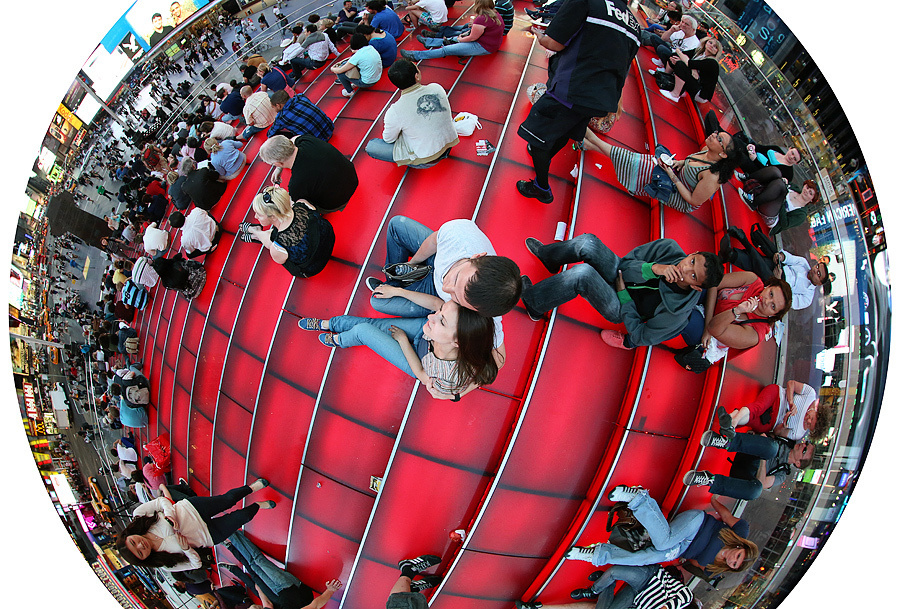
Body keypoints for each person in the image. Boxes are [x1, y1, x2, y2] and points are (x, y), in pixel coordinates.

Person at [516, 0, 640, 204]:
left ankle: (541, 187)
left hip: (571, 88)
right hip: (600, 98)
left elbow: (554, 43)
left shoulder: (587, 1)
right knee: (566, 131)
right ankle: (544, 160)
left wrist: (539, 35)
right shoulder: (634, 25)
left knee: (536, 139)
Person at [364, 216, 521, 369]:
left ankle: (400, 285)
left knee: (378, 301)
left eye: (456, 297)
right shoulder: (457, 233)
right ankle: (400, 277)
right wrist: (411, 264)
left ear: (476, 311)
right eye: (457, 278)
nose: (446, 287)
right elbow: (433, 241)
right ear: (477, 256)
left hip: (432, 296)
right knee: (397, 224)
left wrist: (459, 392)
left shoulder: (486, 310)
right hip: (438, 257)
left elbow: (499, 359)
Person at [520, 235, 724, 349]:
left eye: (693, 276)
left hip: (621, 306)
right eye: (692, 261)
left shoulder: (677, 316)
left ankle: (534, 304)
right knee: (587, 243)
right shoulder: (668, 248)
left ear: (696, 287)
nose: (685, 269)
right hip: (623, 274)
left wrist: (624, 296)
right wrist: (653, 269)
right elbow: (625, 264)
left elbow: (640, 336)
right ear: (693, 254)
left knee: (582, 273)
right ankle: (549, 257)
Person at [299, 298, 498, 400]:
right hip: (425, 339)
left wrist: (403, 341)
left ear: (458, 343)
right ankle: (329, 324)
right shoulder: (438, 327)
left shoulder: (450, 375)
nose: (431, 317)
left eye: (441, 320)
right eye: (438, 312)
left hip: (417, 361)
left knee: (364, 330)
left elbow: (421, 374)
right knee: (373, 324)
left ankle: (339, 340)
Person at [565, 486, 758, 575]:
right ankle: (639, 498)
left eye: (734, 565)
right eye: (739, 556)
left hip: (681, 547)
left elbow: (691, 561)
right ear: (742, 547)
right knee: (663, 542)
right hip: (696, 523)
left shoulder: (715, 567)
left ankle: (595, 554)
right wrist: (714, 500)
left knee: (646, 558)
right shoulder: (740, 531)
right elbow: (725, 516)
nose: (733, 560)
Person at [116, 478, 276, 571]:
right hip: (208, 535)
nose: (140, 546)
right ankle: (258, 505)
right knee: (243, 516)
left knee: (228, 500)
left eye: (133, 542)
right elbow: (196, 564)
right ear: (143, 559)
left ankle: (252, 487)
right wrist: (186, 549)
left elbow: (161, 501)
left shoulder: (139, 516)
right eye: (140, 553)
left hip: (192, 509)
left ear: (129, 535)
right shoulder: (165, 564)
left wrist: (170, 517)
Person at [576, 127, 743, 213]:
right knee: (647, 161)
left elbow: (693, 201)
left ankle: (592, 138)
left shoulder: (712, 177)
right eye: (717, 133)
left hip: (680, 197)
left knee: (642, 165)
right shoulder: (708, 151)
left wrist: (671, 174)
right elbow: (690, 161)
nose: (714, 135)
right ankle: (591, 143)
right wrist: (679, 162)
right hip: (677, 177)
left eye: (719, 138)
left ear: (723, 153)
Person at [364, 59, 458, 167]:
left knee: (372, 146)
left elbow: (389, 139)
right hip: (449, 144)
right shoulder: (436, 87)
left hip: (427, 159)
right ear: (416, 76)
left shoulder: (395, 110)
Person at [683, 426, 816, 501]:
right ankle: (724, 442)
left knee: (755, 492)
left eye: (805, 449)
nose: (803, 445)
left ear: (798, 463)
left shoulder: (782, 474)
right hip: (748, 450)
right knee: (772, 448)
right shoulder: (788, 441)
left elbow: (763, 483)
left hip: (746, 473)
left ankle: (710, 480)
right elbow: (776, 430)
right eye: (806, 443)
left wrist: (764, 458)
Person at [719, 225, 831, 310]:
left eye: (818, 274)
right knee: (771, 256)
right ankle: (731, 254)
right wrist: (781, 257)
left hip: (776, 286)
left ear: (819, 283)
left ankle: (741, 242)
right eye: (817, 267)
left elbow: (787, 301)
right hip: (779, 267)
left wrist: (778, 281)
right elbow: (790, 258)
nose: (815, 270)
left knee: (764, 270)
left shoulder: (807, 297)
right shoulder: (804, 263)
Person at [220, 530, 342, 609]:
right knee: (257, 561)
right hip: (288, 587)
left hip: (280, 591)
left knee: (255, 563)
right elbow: (315, 605)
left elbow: (267, 605)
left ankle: (232, 535)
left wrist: (330, 591)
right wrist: (330, 591)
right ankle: (231, 533)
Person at [684, 271, 791, 355]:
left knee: (687, 319)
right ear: (768, 286)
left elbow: (714, 328)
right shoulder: (752, 280)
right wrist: (708, 325)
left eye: (773, 306)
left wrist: (737, 311)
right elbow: (715, 283)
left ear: (773, 315)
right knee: (694, 277)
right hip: (709, 314)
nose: (766, 301)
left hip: (709, 336)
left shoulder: (755, 333)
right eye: (771, 294)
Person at [239, 186, 335, 278]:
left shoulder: (277, 248)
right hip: (329, 238)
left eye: (259, 214)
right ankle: (260, 233)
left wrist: (275, 245)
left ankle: (257, 233)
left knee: (273, 243)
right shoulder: (302, 204)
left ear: (272, 216)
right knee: (278, 239)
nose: (255, 217)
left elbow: (282, 260)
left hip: (313, 266)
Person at [517, 564, 696, 609]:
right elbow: (673, 602)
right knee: (613, 572)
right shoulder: (684, 598)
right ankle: (595, 589)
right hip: (648, 578)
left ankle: (602, 586)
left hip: (633, 596)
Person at [260, 135, 359, 213]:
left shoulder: (296, 185)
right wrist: (279, 168)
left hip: (337, 202)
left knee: (298, 203)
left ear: (278, 162)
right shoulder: (306, 140)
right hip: (352, 177)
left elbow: (296, 204)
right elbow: (295, 138)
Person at [718, 380, 830, 441]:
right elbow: (791, 383)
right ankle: (733, 422)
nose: (808, 421)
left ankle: (731, 417)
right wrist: (791, 402)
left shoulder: (798, 434)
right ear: (817, 411)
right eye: (812, 418)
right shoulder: (810, 394)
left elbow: (776, 432)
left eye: (810, 425)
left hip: (771, 422)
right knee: (759, 407)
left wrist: (784, 425)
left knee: (757, 424)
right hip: (777, 396)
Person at [400, 0, 504, 62]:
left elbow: (472, 37)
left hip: (484, 46)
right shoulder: (494, 13)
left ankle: (417, 55)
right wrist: (461, 37)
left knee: (447, 49)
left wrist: (460, 39)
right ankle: (429, 41)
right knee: (454, 38)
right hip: (488, 43)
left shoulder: (482, 18)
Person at [736, 142, 802, 209]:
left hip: (756, 170)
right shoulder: (777, 149)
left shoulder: (789, 174)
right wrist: (752, 147)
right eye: (792, 153)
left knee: (739, 155)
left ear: (796, 163)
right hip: (752, 153)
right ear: (789, 149)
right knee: (738, 143)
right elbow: (761, 148)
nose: (791, 157)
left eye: (794, 159)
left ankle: (746, 177)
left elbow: (768, 176)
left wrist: (755, 159)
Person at [662, 36, 722, 103]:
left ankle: (675, 95)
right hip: (693, 82)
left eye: (715, 47)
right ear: (705, 42)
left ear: (717, 52)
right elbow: (683, 56)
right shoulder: (699, 52)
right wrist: (693, 69)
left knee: (680, 64)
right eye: (710, 43)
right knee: (675, 57)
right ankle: (665, 76)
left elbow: (689, 63)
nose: (712, 46)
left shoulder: (712, 62)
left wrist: (679, 52)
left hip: (700, 93)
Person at [756, 179, 820, 233]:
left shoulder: (801, 215)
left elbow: (785, 224)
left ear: (812, 200)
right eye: (807, 187)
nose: (806, 191)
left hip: (772, 218)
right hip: (769, 200)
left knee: (779, 188)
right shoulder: (794, 188)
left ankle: (755, 197)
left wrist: (782, 201)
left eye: (810, 193)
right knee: (776, 174)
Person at [267, 89, 334, 141]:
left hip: (318, 141)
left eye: (273, 107)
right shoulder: (300, 97)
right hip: (329, 128)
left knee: (278, 133)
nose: (274, 109)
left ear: (278, 105)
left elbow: (270, 133)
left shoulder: (281, 118)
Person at [331, 34, 383, 98]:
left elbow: (340, 70)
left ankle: (349, 92)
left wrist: (332, 69)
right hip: (377, 77)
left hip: (367, 82)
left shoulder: (357, 56)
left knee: (341, 73)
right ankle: (355, 83)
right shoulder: (371, 48)